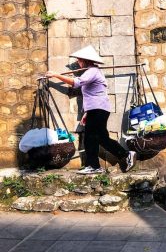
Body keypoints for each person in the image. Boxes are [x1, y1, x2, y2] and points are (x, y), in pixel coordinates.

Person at [46, 45, 136, 174]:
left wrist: (56, 75)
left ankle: (94, 166)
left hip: (98, 109)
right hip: (97, 109)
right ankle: (125, 155)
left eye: (79, 60)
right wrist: (87, 113)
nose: (77, 62)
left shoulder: (92, 71)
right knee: (101, 138)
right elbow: (94, 94)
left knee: (90, 137)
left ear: (84, 60)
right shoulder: (92, 71)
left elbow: (76, 83)